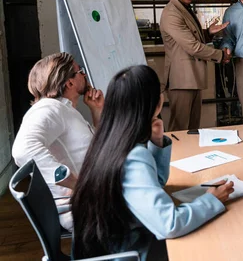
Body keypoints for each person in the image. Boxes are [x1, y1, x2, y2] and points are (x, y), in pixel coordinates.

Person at [71, 65, 234, 260]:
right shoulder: (133, 156)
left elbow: (152, 185)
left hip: (111, 247)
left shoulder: (108, 138)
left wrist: (156, 142)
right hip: (133, 252)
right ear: (156, 103)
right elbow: (169, 225)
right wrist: (211, 200)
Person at [12, 52, 104, 231]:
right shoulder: (49, 108)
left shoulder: (65, 110)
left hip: (95, 197)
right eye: (80, 71)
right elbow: (23, 150)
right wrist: (74, 183)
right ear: (69, 82)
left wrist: (97, 110)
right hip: (85, 207)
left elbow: (101, 147)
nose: (84, 75)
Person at [160, 0, 231, 132]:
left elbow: (190, 39)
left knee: (192, 129)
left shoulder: (183, 8)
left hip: (191, 78)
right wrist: (221, 55)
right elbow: (192, 46)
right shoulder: (172, 13)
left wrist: (208, 33)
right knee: (179, 130)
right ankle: (175, 158)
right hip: (182, 80)